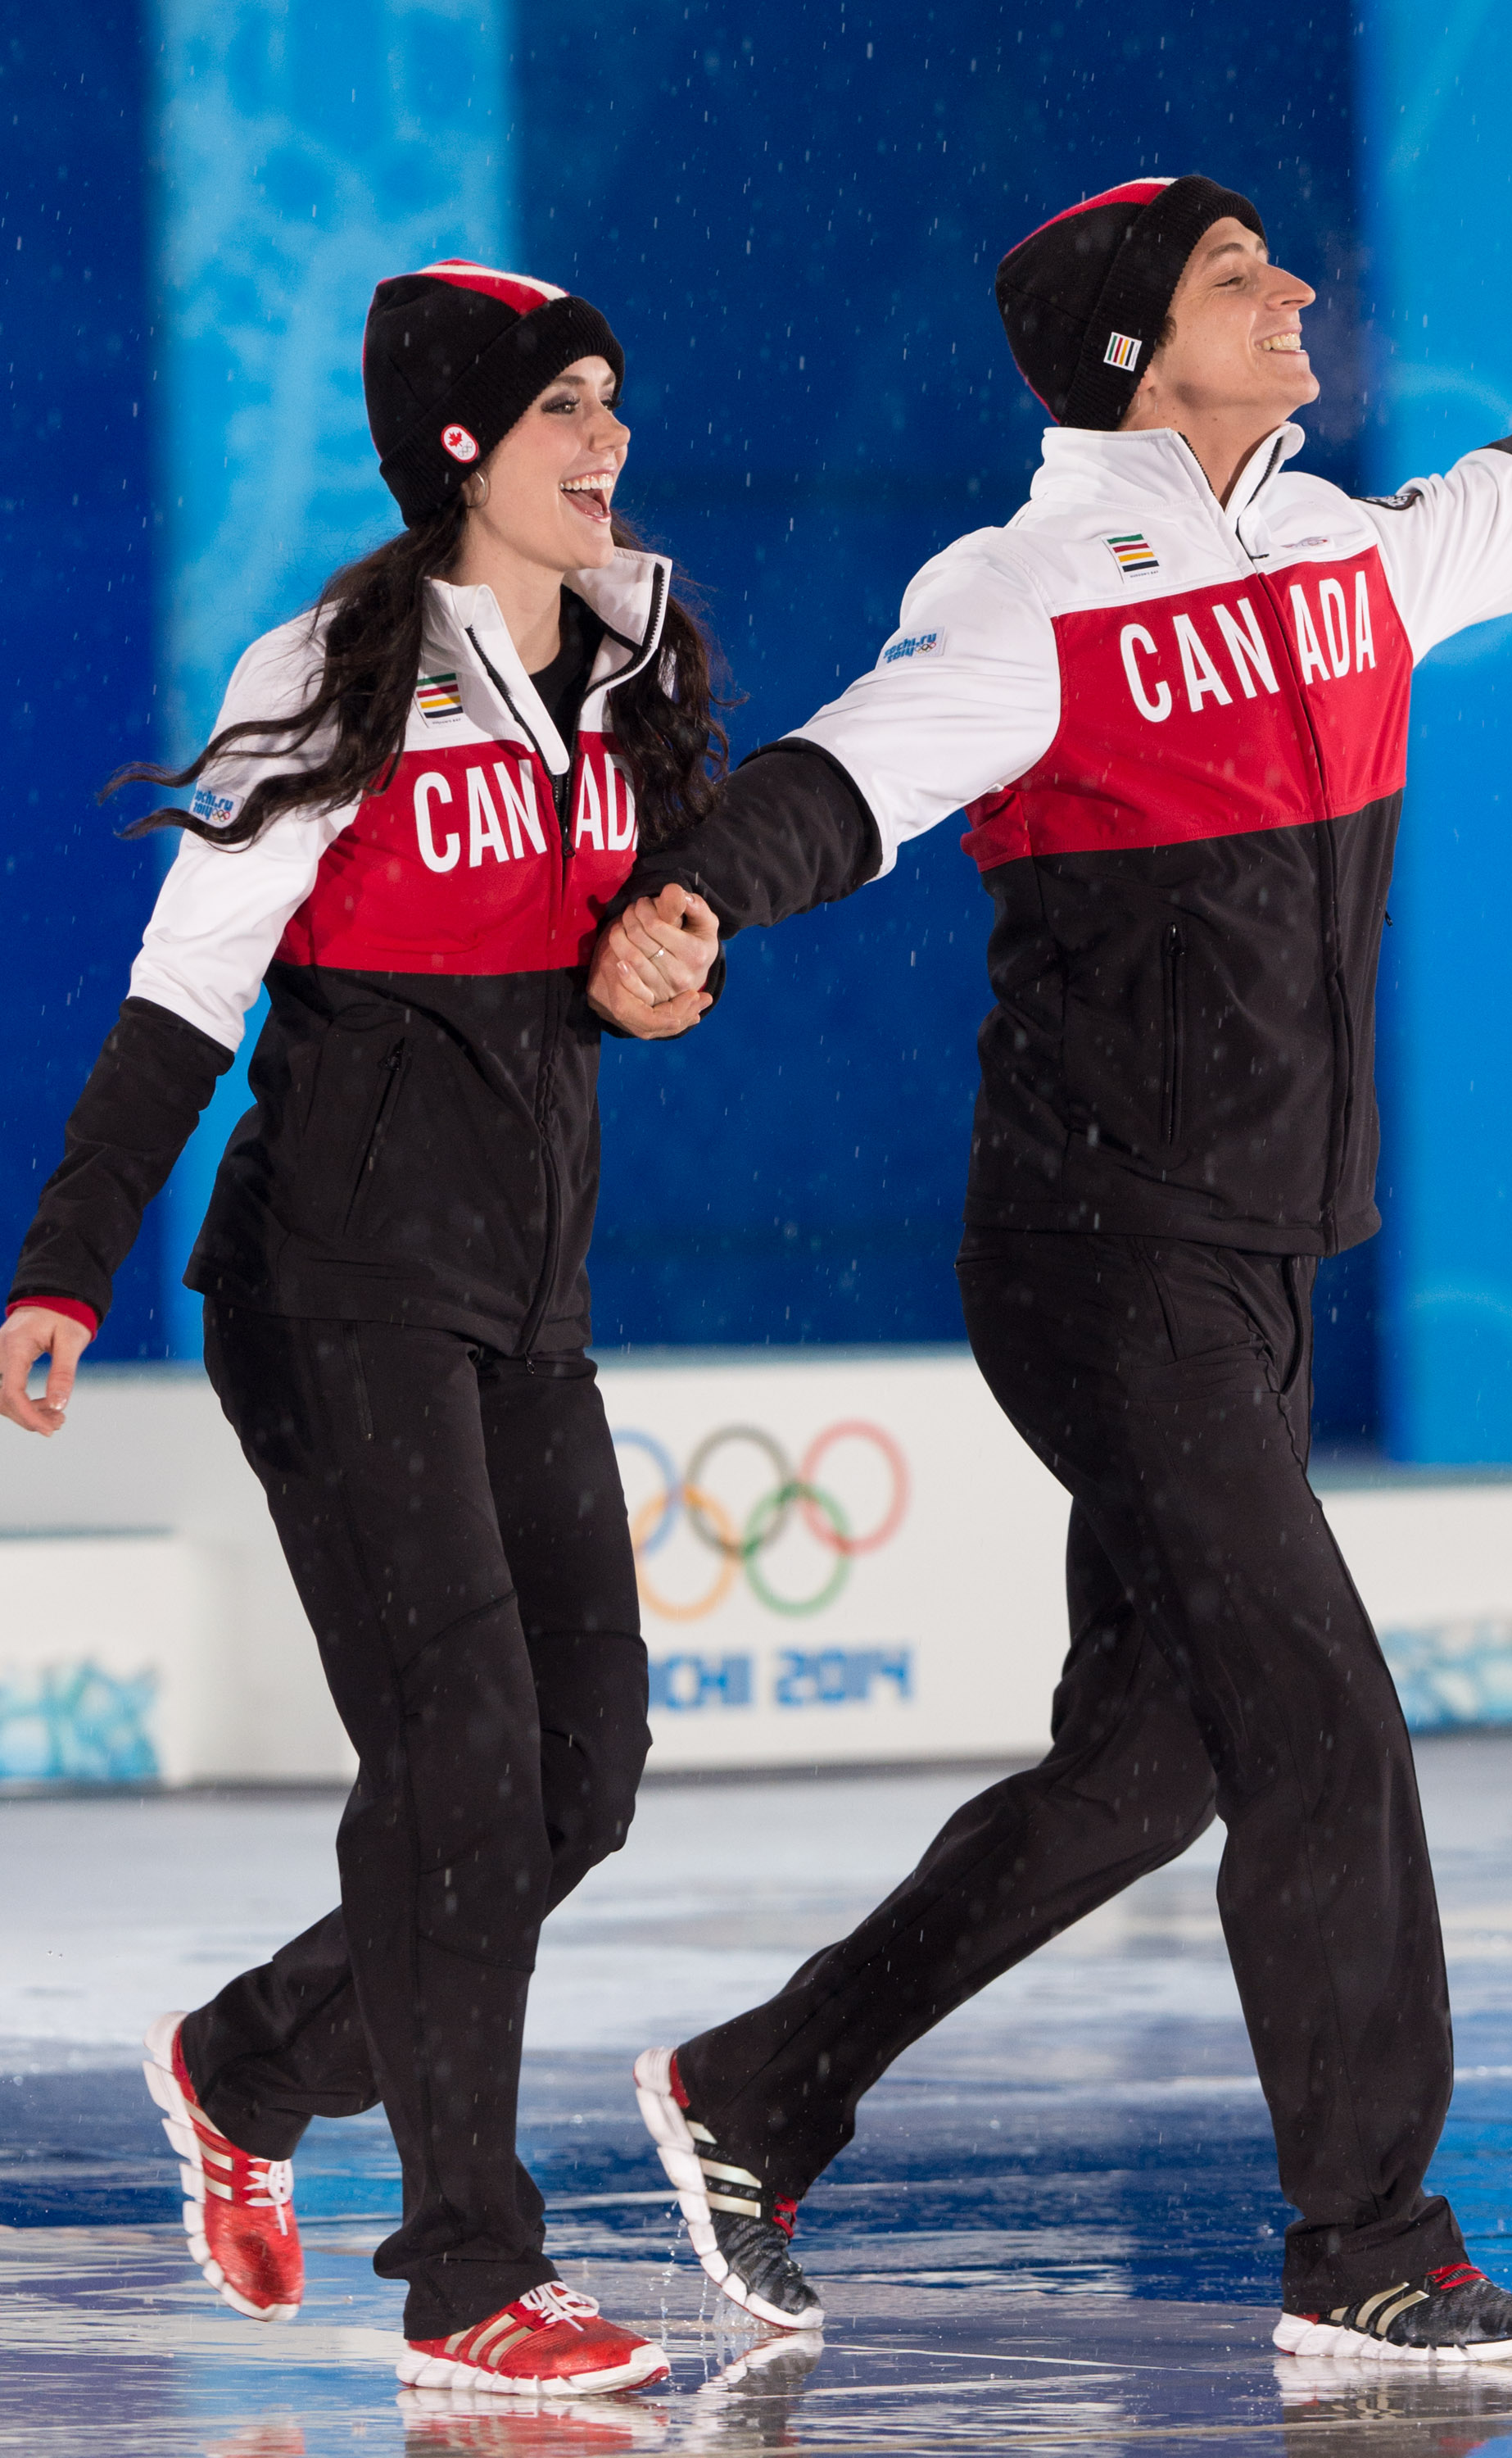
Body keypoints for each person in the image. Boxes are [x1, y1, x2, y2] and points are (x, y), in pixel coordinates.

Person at [592, 175, 1512, 2362]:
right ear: (1125, 349)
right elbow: (840, 779)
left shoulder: (1341, 548)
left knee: (1160, 1757)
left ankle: (760, 2085)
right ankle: (1363, 2239)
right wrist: (693, 897)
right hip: (1101, 1254)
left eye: (1278, 263)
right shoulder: (1021, 594)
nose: (1291, 295)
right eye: (1231, 276)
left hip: (1257, 1259)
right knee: (1317, 1713)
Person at [1, 257, 721, 2395]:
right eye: (562, 405)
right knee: (459, 1762)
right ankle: (471, 2273)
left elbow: (625, 942)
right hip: (330, 1285)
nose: (607, 438)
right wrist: (63, 1259)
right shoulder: (328, 669)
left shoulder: (634, 652)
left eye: (613, 395)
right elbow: (183, 988)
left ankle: (247, 2063)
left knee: (579, 1778)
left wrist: (671, 969)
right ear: (461, 444)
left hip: (527, 1287)